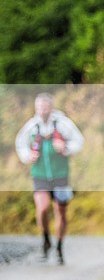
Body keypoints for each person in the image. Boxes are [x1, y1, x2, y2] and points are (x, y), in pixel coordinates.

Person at [15, 93, 84, 265]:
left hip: (60, 176)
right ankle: (46, 238)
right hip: (40, 176)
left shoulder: (62, 124)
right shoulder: (32, 126)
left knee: (61, 211)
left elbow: (79, 141)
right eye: (39, 107)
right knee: (43, 208)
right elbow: (20, 143)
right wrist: (28, 156)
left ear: (51, 107)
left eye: (45, 107)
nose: (42, 110)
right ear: (36, 108)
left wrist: (65, 147)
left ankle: (59, 246)